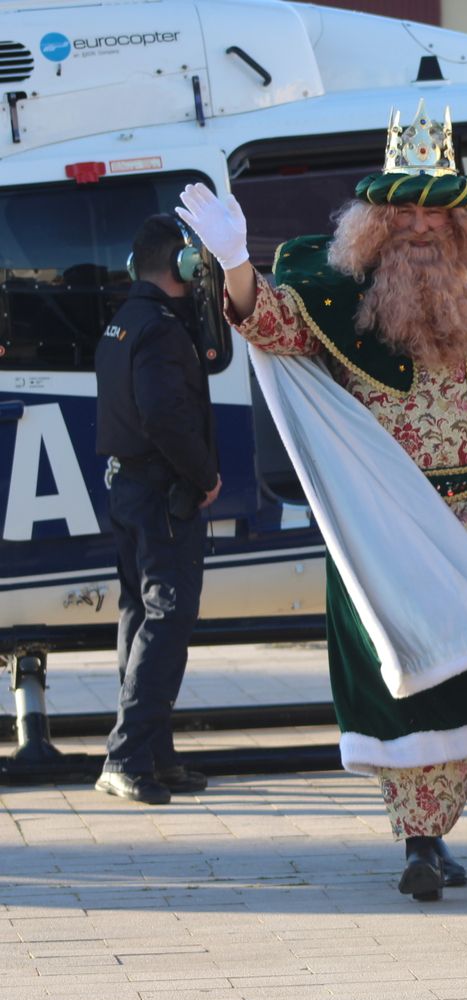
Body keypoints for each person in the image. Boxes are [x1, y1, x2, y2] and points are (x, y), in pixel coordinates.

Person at [176, 101, 467, 900]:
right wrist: (238, 263)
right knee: (401, 670)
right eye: (404, 211)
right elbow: (269, 325)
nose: (420, 227)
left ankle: (430, 834)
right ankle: (419, 836)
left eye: (436, 212)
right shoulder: (340, 298)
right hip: (378, 520)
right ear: (377, 224)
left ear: (463, 226)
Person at [91, 215, 220, 805]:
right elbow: (165, 414)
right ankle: (125, 757)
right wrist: (205, 475)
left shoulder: (123, 321)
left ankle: (154, 757)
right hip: (163, 492)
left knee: (138, 618)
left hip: (128, 490)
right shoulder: (164, 330)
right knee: (166, 621)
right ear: (183, 266)